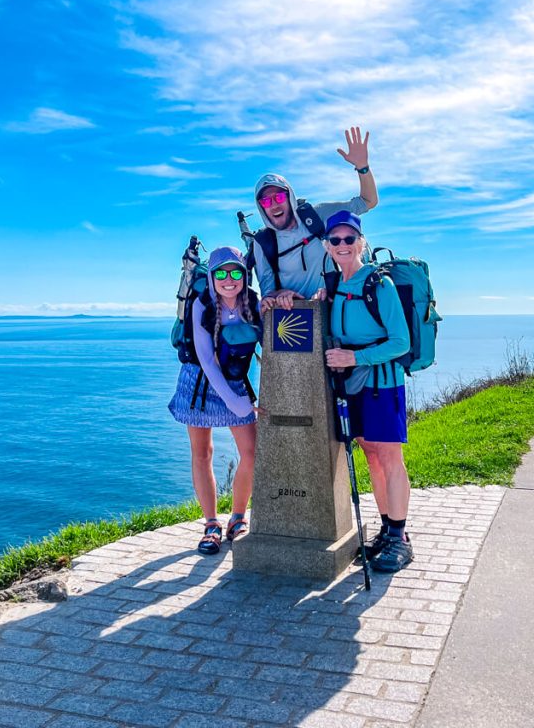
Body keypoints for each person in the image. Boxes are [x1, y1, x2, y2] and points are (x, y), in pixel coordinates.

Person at [315, 211, 412, 573]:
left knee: (389, 458)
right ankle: (387, 529)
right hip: (353, 387)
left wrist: (354, 357)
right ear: (326, 246)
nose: (343, 245)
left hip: (383, 385)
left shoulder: (379, 284)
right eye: (335, 240)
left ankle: (401, 538)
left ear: (361, 243)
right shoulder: (334, 286)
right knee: (371, 455)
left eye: (349, 239)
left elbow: (400, 342)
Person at [168, 247, 260, 554]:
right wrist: (239, 405)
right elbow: (207, 360)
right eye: (221, 273)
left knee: (252, 451)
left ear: (244, 276)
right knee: (203, 452)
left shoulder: (253, 303)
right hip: (198, 384)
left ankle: (237, 517)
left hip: (234, 382)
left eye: (236, 272)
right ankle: (210, 524)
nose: (229, 279)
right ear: (211, 276)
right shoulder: (202, 303)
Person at [253, 127, 378, 314]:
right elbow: (267, 296)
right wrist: (283, 293)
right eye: (265, 201)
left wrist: (362, 167)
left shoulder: (317, 216)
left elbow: (368, 201)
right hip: (296, 321)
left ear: (290, 197)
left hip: (338, 312)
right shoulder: (263, 242)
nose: (274, 205)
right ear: (261, 207)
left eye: (279, 197)